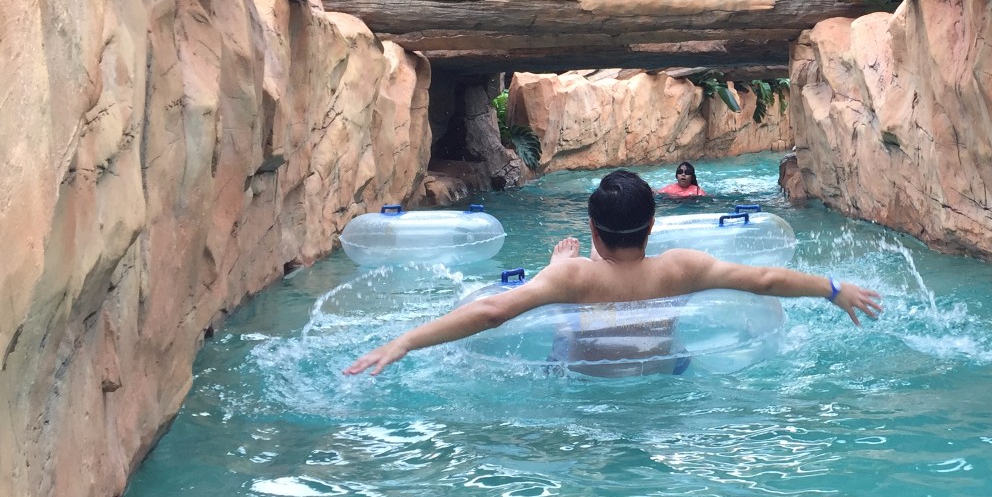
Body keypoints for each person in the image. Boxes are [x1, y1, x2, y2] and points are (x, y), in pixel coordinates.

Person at [345, 169, 882, 376]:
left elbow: (490, 311)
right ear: (652, 227)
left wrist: (404, 341)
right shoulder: (682, 267)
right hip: (666, 375)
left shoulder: (575, 278)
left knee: (565, 322)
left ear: (592, 229)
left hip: (587, 380)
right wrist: (833, 288)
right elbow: (764, 281)